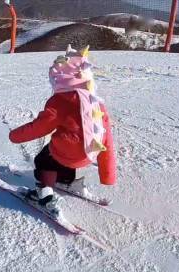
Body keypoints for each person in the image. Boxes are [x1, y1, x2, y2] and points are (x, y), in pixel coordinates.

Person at [8, 45, 117, 218]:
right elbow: (107, 140)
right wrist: (107, 175)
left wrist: (14, 136)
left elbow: (40, 127)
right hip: (88, 156)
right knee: (68, 147)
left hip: (67, 153)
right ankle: (67, 180)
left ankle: (43, 196)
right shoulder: (97, 103)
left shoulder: (60, 101)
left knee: (44, 159)